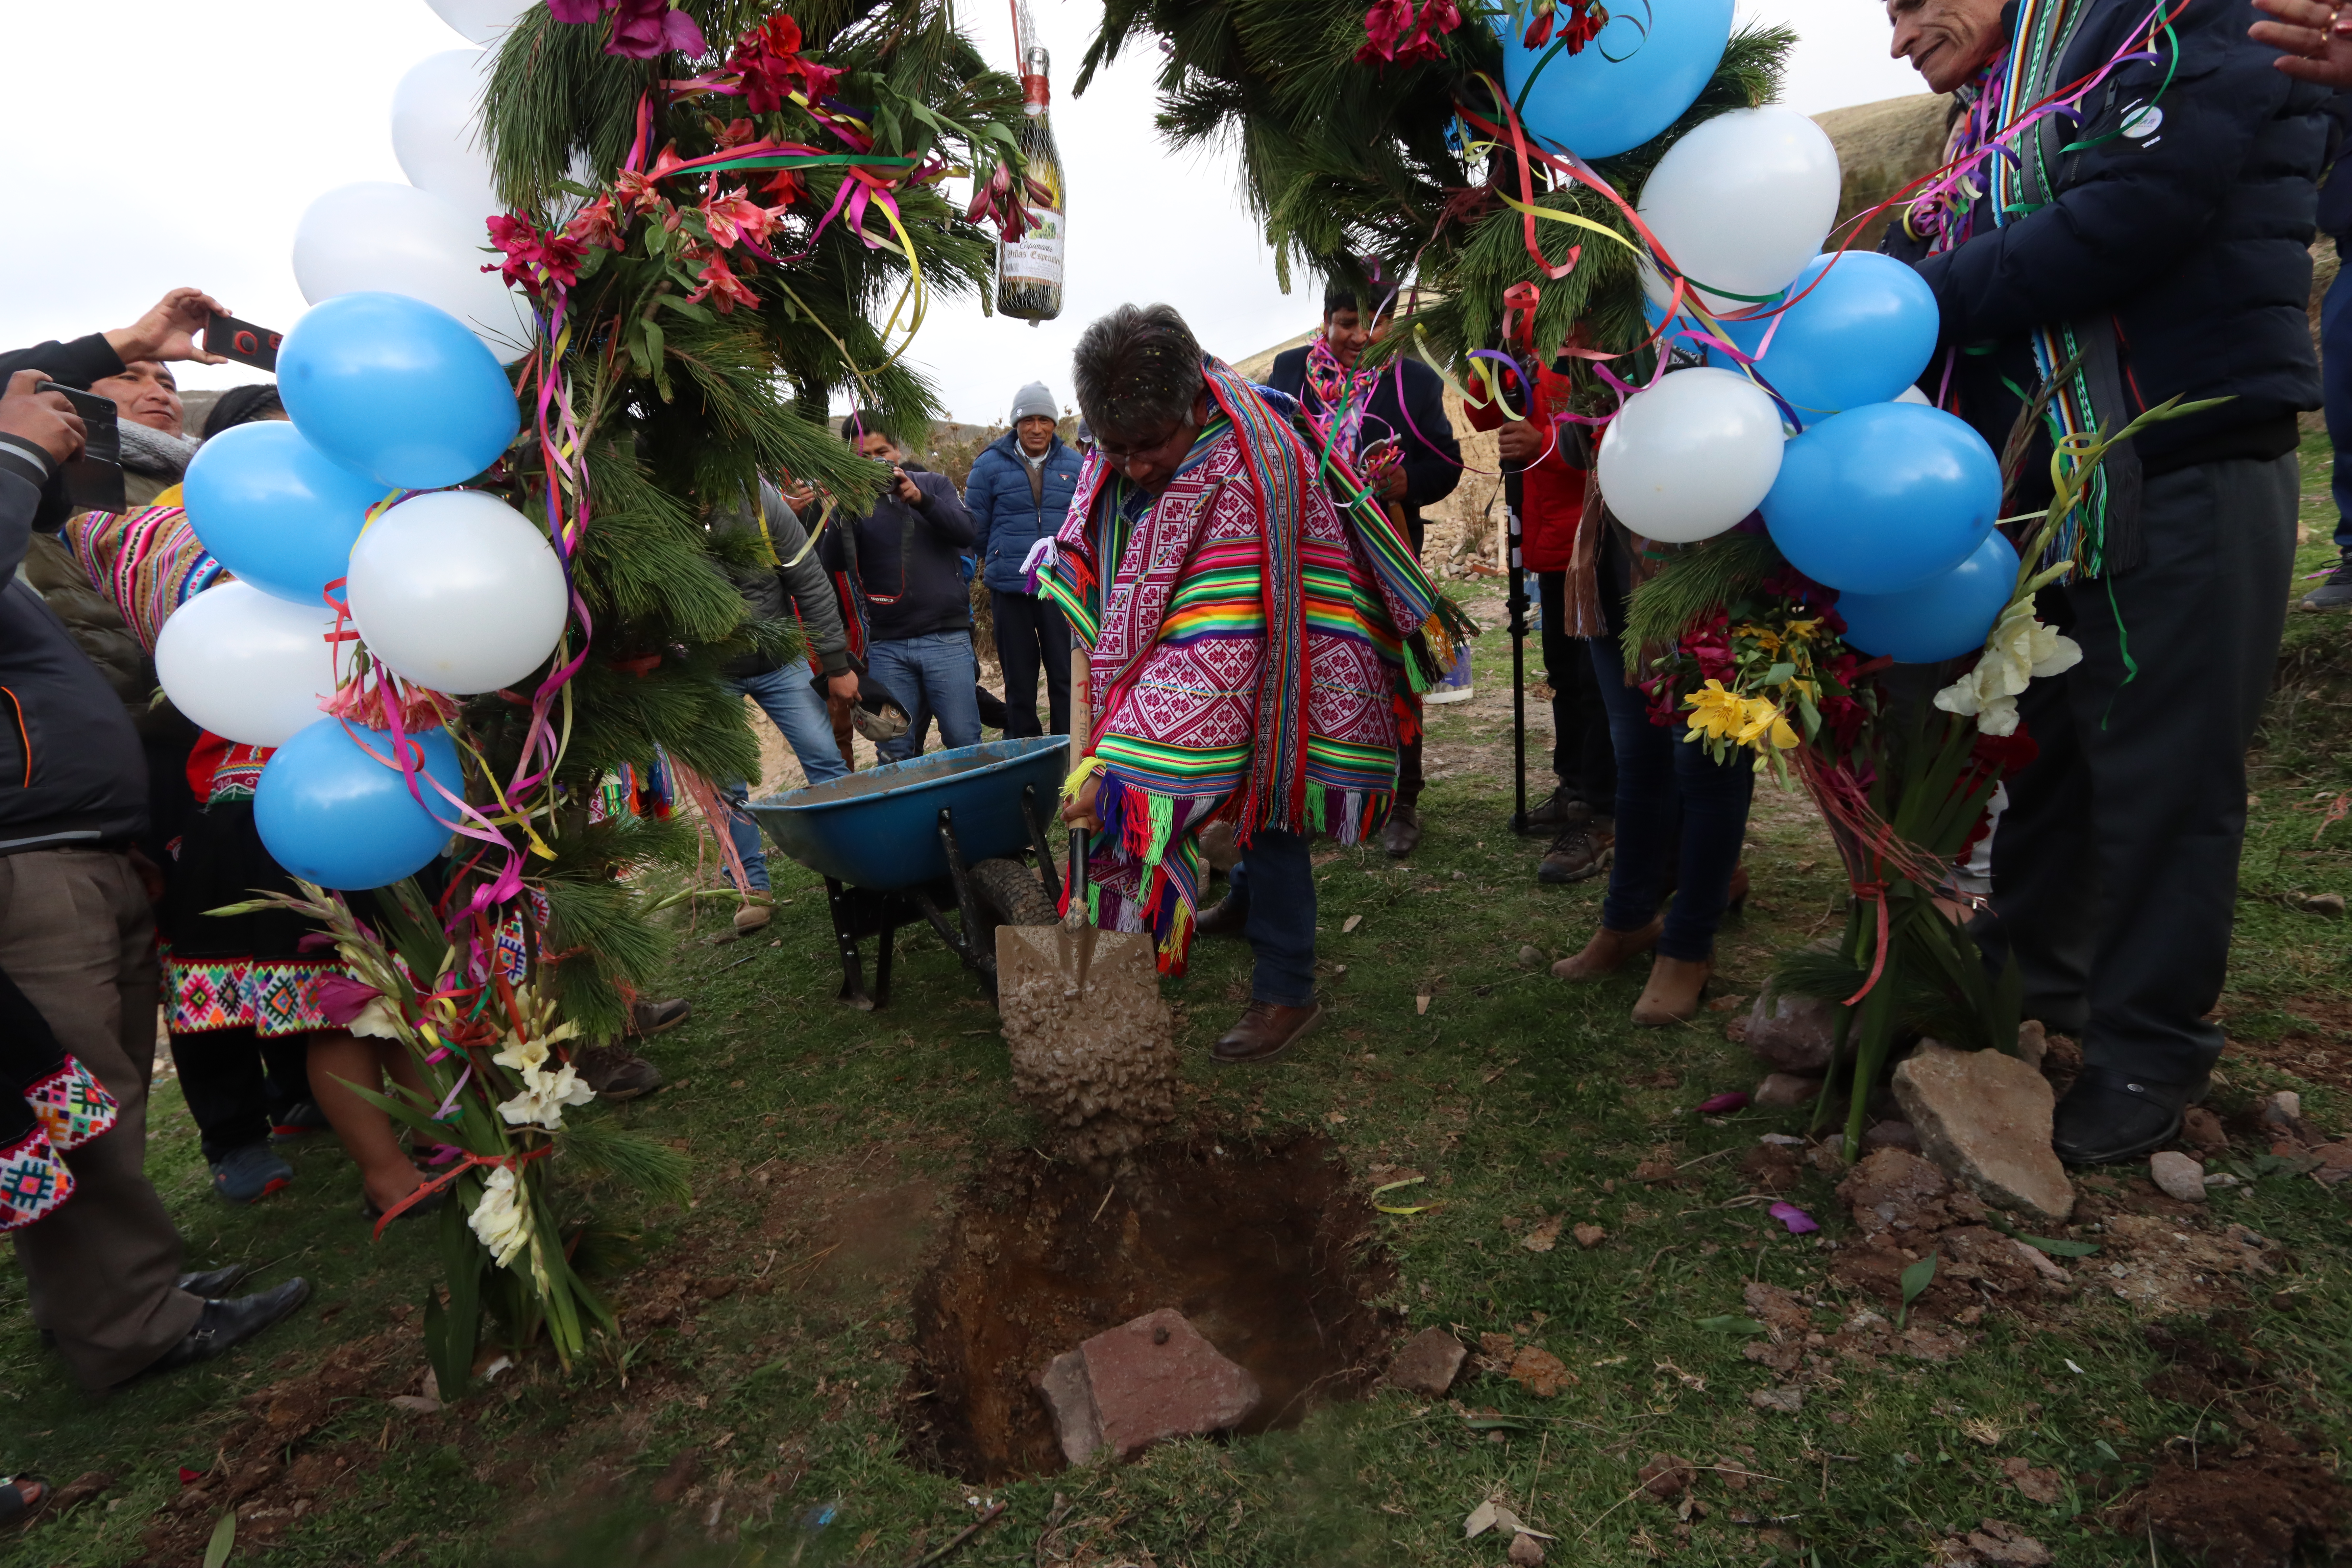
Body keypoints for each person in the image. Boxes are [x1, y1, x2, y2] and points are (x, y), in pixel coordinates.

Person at [1885, 0, 2329, 1161]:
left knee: (2167, 776)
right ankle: (2040, 986)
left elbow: (2130, 215)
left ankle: (2148, 1054)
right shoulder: (1999, 112)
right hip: (2056, 483)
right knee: (2055, 757)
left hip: (2179, 455)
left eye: (1909, 3)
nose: (1897, 39)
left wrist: (1910, 309)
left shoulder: (2193, 18)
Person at [1043, 304, 1460, 1063]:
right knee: (1241, 818)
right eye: (1115, 448)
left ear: (1191, 406)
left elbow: (1215, 649)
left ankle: (1288, 988)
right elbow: (1111, 512)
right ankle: (1239, 903)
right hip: (1202, 637)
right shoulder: (1147, 437)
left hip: (1279, 653)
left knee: (1269, 802)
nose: (1131, 465)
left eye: (1148, 447)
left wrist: (1120, 765)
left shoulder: (1246, 467)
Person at [0, 369, 308, 1387]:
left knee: (104, 1091)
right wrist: (14, 455)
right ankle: (127, 1321)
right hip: (29, 866)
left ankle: (121, 1292)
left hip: (83, 846)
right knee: (77, 1091)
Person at [1265, 280, 1462, 855]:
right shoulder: (1291, 372)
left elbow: (1445, 463)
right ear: (1327, 318)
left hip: (1387, 547)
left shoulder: (1414, 381)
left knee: (1400, 663)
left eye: (1373, 323)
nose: (1359, 336)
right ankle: (1321, 790)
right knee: (1310, 664)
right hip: (1305, 550)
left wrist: (1407, 482)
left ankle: (1404, 800)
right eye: (1346, 321)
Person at [1462, 352, 1618, 884]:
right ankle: (1574, 787)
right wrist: (1486, 357)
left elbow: (1601, 433)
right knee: (1564, 676)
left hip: (1593, 538)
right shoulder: (1520, 344)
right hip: (1549, 541)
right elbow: (1483, 415)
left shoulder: (1584, 346)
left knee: (1597, 682)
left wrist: (1543, 444)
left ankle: (1603, 812)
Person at [712, 472, 860, 933]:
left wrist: (837, 665)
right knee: (725, 785)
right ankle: (749, 888)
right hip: (708, 669)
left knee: (824, 758)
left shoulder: (757, 501)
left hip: (779, 658)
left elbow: (809, 580)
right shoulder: (657, 509)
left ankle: (859, 863)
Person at [822, 413, 984, 761]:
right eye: (862, 457)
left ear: (897, 451)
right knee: (894, 749)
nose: (875, 462)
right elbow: (832, 562)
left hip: (947, 639)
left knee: (963, 740)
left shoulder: (934, 484)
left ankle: (972, 814)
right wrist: (844, 509)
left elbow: (968, 531)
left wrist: (920, 499)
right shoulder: (854, 503)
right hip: (887, 648)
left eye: (882, 451)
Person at [964, 382, 1084, 737]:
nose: (1036, 428)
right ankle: (1025, 756)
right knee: (1019, 680)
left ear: (1054, 424)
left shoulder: (1075, 465)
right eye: (1028, 420)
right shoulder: (988, 465)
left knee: (1065, 674)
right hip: (1009, 589)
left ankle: (1066, 751)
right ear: (1016, 423)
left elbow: (1085, 523)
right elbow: (976, 528)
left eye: (1044, 420)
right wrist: (1004, 556)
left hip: (1060, 589)